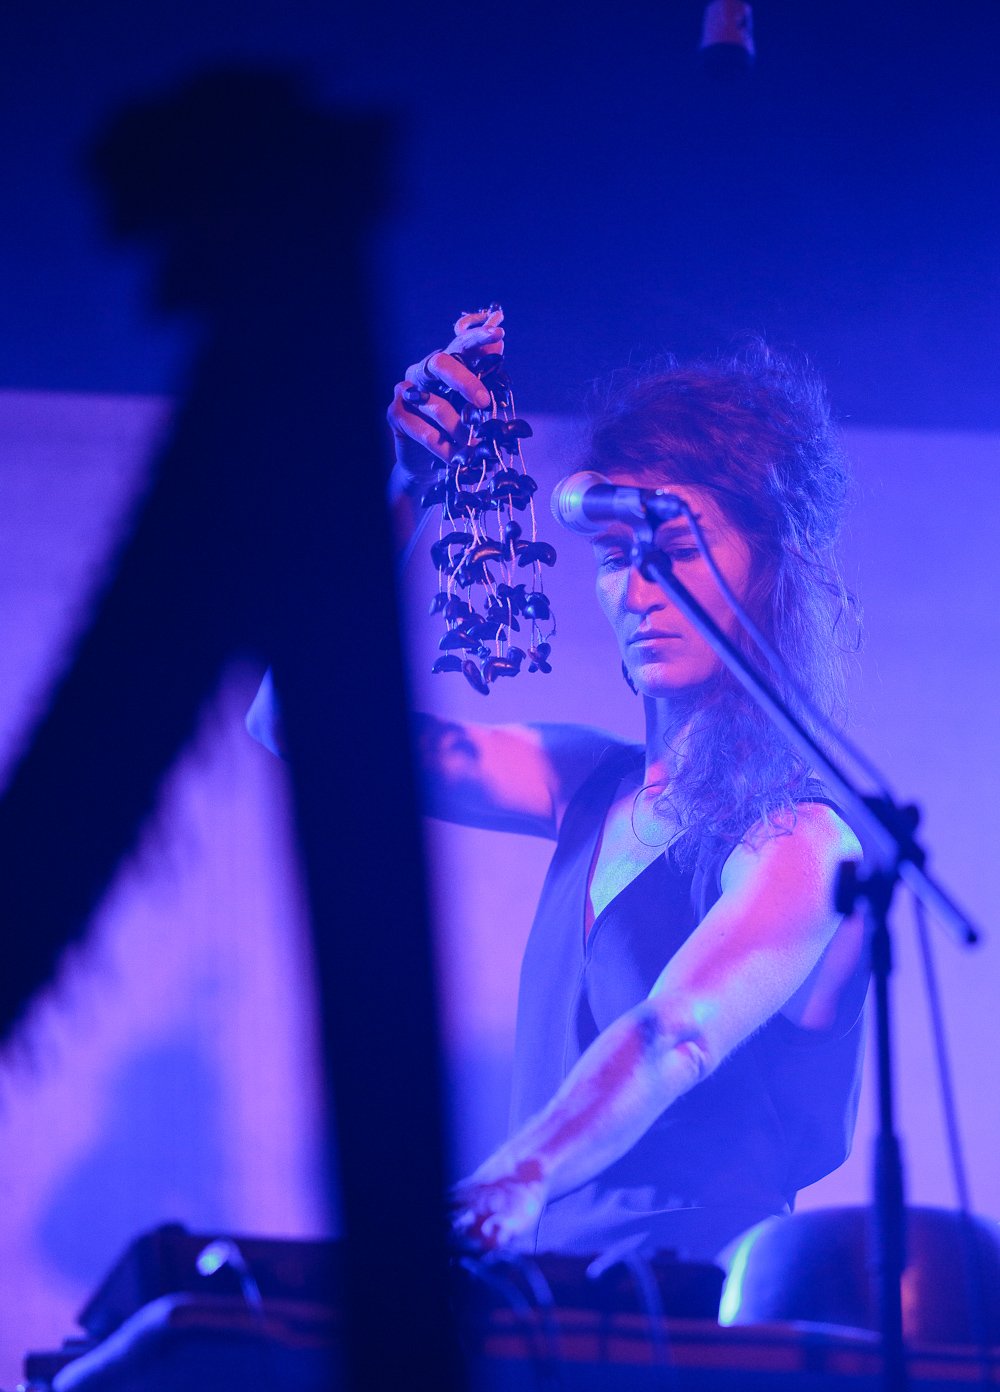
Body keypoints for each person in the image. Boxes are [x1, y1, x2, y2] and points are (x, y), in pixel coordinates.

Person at [251, 310, 869, 1265]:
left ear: (767, 568)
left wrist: (520, 1174)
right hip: (544, 1296)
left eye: (675, 547)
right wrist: (407, 485)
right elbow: (300, 720)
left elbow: (676, 1034)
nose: (639, 588)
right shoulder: (583, 783)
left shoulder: (801, 840)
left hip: (702, 1311)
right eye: (616, 556)